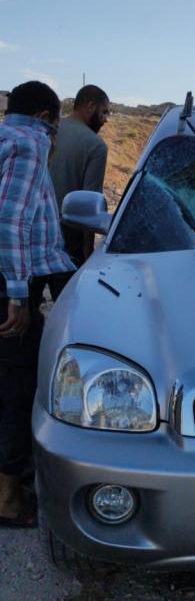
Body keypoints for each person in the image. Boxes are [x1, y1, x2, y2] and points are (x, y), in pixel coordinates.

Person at [0, 81, 75, 527]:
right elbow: (9, 224)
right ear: (48, 117)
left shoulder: (7, 139)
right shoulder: (31, 146)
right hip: (11, 283)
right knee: (17, 385)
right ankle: (8, 499)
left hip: (19, 276)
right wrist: (16, 295)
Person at [49, 83, 110, 273]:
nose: (105, 120)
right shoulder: (96, 145)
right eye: (104, 112)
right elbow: (89, 207)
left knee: (27, 297)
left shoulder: (50, 130)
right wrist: (87, 249)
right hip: (68, 233)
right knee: (67, 297)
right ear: (90, 106)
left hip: (35, 225)